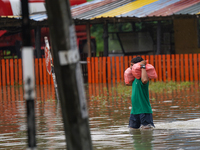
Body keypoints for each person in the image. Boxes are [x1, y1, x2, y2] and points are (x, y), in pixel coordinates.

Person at [126, 56, 155, 130]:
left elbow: (145, 80)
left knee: (147, 133)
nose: (130, 67)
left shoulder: (143, 79)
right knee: (133, 132)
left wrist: (142, 66)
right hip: (134, 111)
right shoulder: (135, 79)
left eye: (132, 65)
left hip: (144, 110)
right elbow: (127, 83)